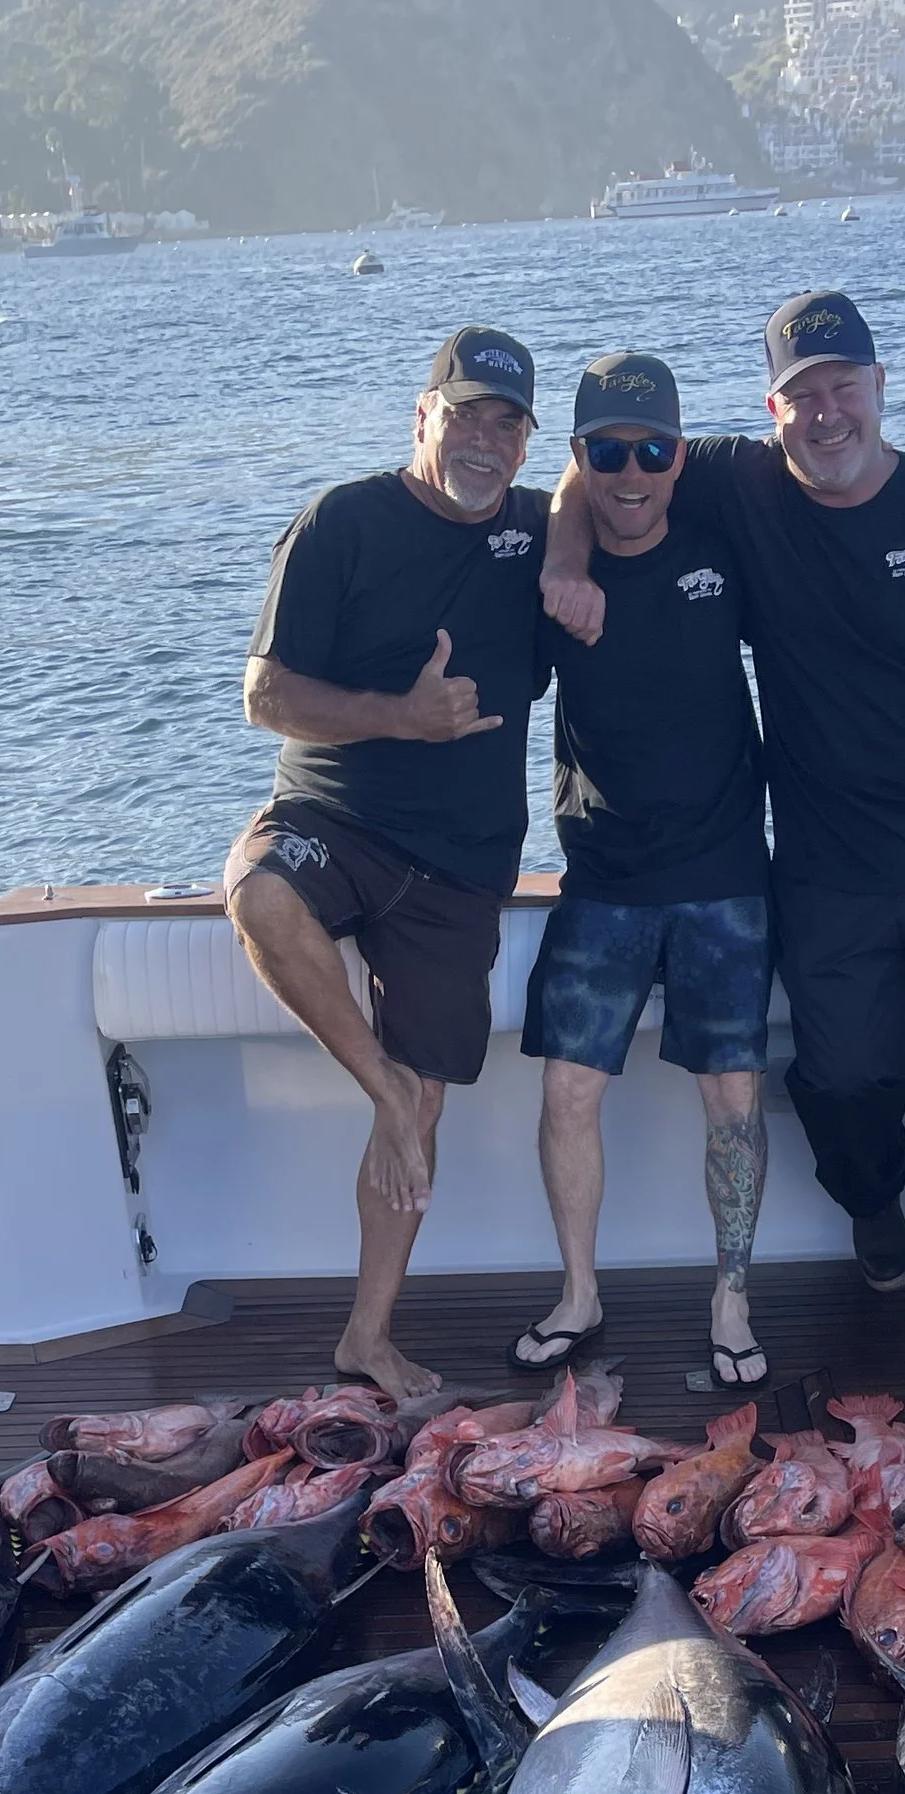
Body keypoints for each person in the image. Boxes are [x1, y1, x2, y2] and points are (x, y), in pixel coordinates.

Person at [542, 290, 905, 1395]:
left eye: (845, 388)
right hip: (827, 867)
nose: (826, 413)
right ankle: (871, 1198)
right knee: (840, 1078)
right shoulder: (741, 487)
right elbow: (599, 462)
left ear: (880, 389)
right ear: (771, 410)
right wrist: (562, 557)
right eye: (803, 395)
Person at [228, 326, 550, 1397]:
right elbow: (264, 696)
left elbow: (628, 521)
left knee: (434, 1102)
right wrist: (401, 720)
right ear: (422, 416)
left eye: (507, 424)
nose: (483, 441)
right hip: (340, 819)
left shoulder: (539, 532)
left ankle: (366, 1337)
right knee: (259, 892)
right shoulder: (342, 522)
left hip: (458, 866)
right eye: (464, 415)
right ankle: (382, 1091)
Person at [516, 351, 775, 1388]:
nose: (633, 473)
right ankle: (579, 1294)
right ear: (578, 458)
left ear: (681, 453)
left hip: (724, 876)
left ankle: (733, 1297)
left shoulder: (725, 538)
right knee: (567, 1089)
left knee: (734, 1102)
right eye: (608, 452)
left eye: (653, 449)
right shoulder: (550, 579)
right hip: (604, 879)